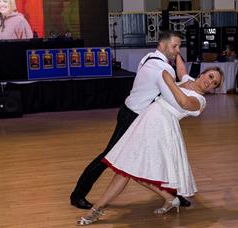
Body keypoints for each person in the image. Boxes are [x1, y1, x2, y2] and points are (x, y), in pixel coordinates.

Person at [76, 55, 224, 226]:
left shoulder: (200, 101)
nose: (209, 82)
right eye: (210, 76)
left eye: (214, 83)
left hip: (161, 129)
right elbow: (182, 69)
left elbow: (183, 101)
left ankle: (96, 210)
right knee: (130, 169)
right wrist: (174, 51)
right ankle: (170, 199)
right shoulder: (188, 80)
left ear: (214, 89)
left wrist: (168, 81)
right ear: (202, 74)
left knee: (127, 169)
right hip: (147, 121)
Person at [70, 31, 194, 210]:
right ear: (162, 45)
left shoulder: (148, 58)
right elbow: (173, 98)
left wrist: (182, 74)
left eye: (179, 47)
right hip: (133, 117)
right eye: (175, 46)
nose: (177, 50)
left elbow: (173, 73)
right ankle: (77, 195)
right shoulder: (163, 69)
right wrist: (190, 89)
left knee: (163, 156)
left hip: (134, 114)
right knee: (108, 157)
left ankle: (174, 194)